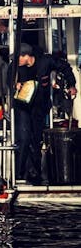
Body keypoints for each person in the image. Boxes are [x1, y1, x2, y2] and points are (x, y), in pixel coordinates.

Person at [12, 43, 77, 185]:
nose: (17, 62)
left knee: (36, 140)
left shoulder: (45, 61)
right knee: (23, 138)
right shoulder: (15, 68)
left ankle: (36, 172)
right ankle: (19, 173)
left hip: (39, 108)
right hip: (23, 108)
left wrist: (71, 84)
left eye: (19, 58)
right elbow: (8, 81)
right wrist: (14, 85)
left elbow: (65, 67)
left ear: (27, 56)